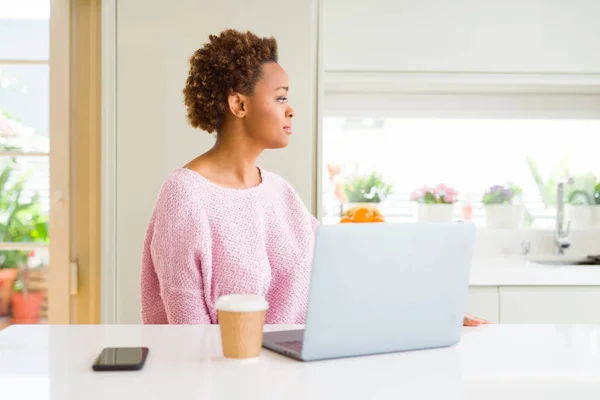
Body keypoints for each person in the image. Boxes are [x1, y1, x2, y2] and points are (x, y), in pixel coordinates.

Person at [140, 29, 488, 327]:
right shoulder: (185, 194)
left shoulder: (279, 193)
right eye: (280, 97)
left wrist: (427, 308)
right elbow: (186, 336)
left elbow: (342, 270)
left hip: (294, 370)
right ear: (239, 105)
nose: (291, 108)